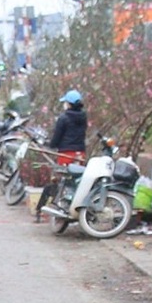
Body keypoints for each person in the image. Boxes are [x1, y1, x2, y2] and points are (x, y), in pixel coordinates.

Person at [34, 88, 88, 221]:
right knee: (76, 181)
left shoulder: (64, 118)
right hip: (79, 153)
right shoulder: (83, 117)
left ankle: (51, 208)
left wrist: (50, 145)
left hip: (65, 153)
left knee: (59, 180)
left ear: (68, 104)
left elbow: (57, 137)